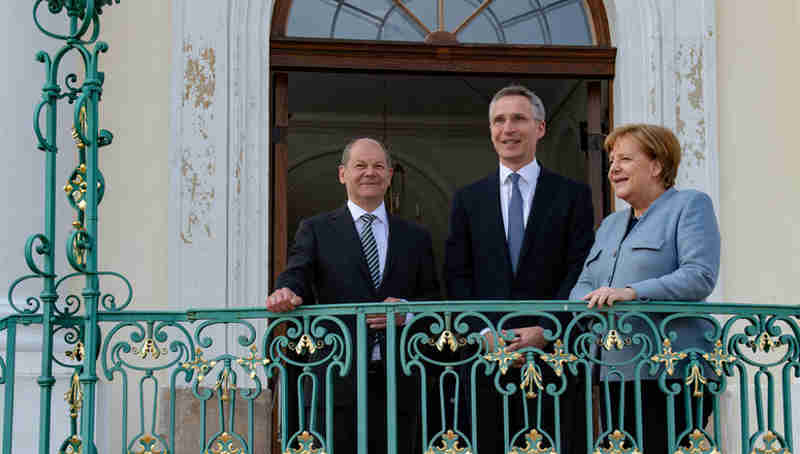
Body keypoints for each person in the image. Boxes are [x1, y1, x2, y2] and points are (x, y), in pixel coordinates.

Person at [444, 85, 594, 453]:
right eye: (499, 120)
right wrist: (483, 332)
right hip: (485, 359)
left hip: (554, 358)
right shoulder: (467, 199)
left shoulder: (573, 195)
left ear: (540, 128)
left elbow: (580, 270)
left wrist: (546, 329)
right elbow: (456, 275)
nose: (507, 129)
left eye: (518, 119)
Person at [266, 137, 440, 454]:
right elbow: (298, 273)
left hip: (400, 381)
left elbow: (434, 299)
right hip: (336, 378)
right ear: (343, 174)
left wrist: (408, 311)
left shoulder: (417, 237)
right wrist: (286, 290)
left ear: (389, 175)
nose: (369, 173)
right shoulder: (316, 229)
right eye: (360, 165)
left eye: (378, 166)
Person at [570, 123, 720, 454]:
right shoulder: (610, 224)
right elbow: (585, 282)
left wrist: (632, 291)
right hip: (615, 370)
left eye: (625, 159)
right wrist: (582, 303)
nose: (614, 168)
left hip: (674, 370)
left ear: (657, 166)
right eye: (611, 161)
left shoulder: (690, 205)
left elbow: (699, 275)